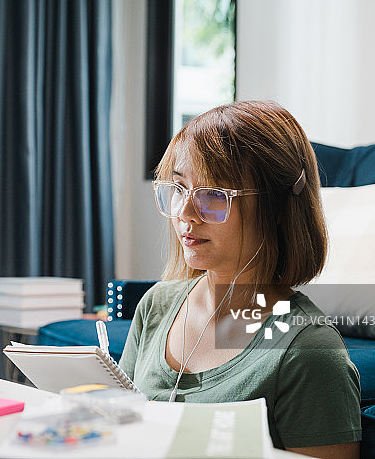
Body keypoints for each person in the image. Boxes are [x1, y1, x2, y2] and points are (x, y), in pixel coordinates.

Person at [119, 101, 361, 458]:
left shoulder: (309, 354)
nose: (185, 213)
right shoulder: (158, 304)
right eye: (180, 188)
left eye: (214, 195)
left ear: (278, 208)